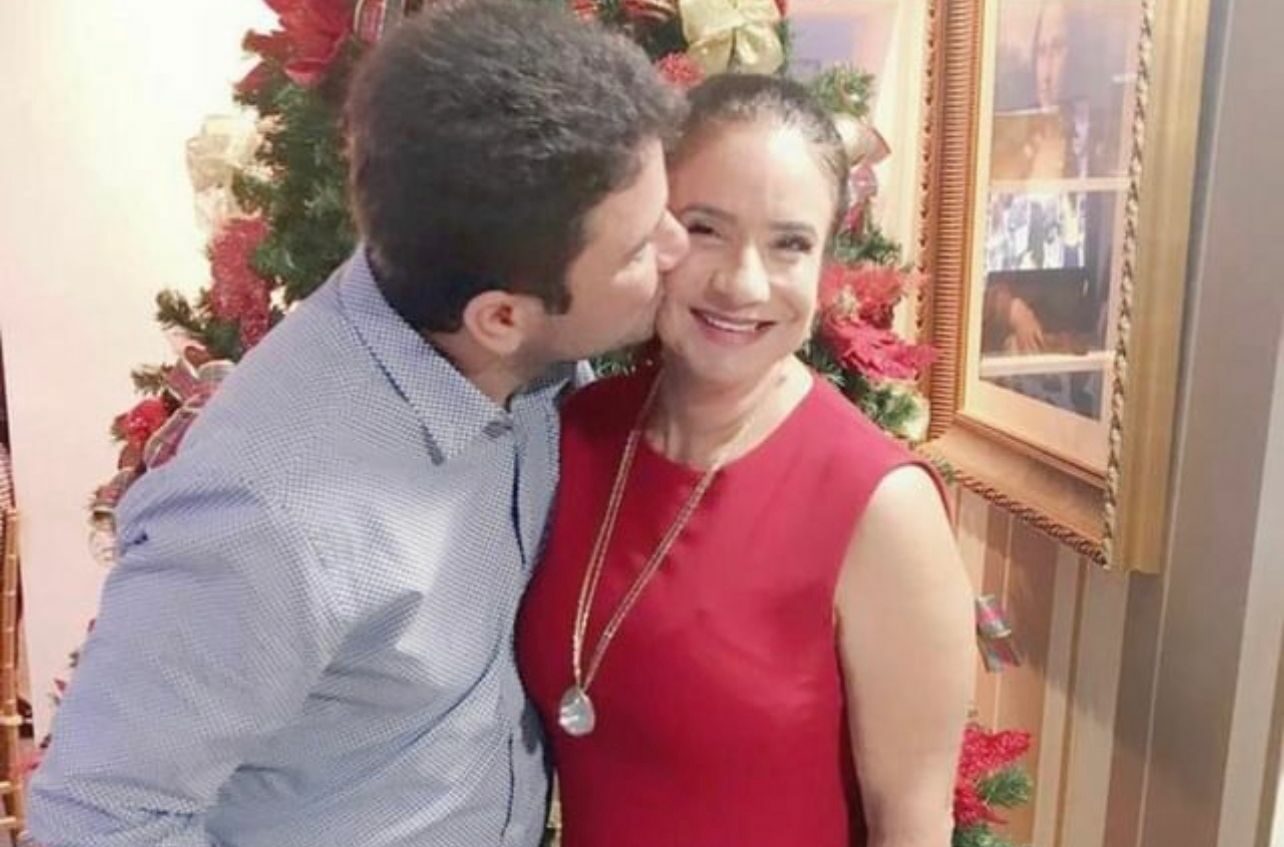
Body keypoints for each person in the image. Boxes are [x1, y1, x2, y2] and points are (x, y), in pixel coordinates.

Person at [28, 3, 687, 846]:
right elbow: (98, 817)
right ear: (500, 317)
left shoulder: (531, 352)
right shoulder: (266, 511)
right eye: (638, 249)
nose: (677, 248)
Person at [517, 75, 975, 846]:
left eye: (790, 244)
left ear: (825, 263)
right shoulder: (580, 430)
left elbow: (912, 825)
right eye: (706, 228)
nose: (743, 282)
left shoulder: (881, 504)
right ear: (652, 229)